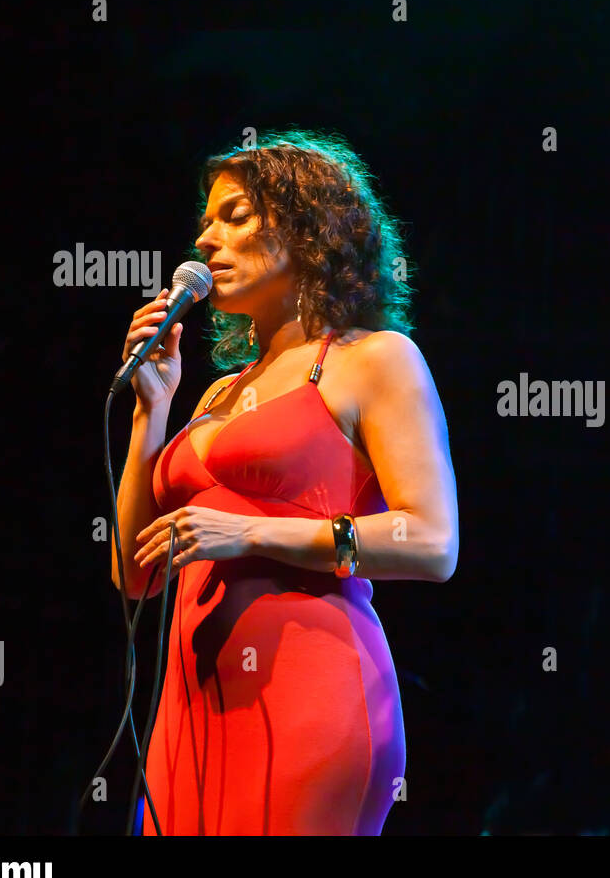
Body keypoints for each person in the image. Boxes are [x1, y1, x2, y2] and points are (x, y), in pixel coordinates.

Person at [110, 130, 458, 835]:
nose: (205, 240)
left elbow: (432, 540)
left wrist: (252, 533)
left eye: (234, 216)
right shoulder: (211, 398)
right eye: (205, 220)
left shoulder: (375, 360)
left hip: (308, 690)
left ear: (308, 229)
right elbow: (133, 576)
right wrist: (154, 410)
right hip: (188, 711)